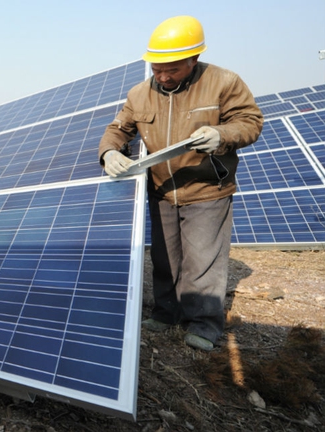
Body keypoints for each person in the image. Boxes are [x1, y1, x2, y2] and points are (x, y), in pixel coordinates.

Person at [98, 16, 263, 351]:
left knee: (202, 260)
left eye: (171, 69)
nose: (162, 76)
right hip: (160, 190)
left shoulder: (223, 82)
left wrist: (221, 134)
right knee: (165, 258)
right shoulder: (139, 94)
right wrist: (108, 152)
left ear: (194, 59)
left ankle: (204, 323)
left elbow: (249, 122)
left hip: (205, 188)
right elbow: (119, 128)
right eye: (157, 69)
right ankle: (165, 312)